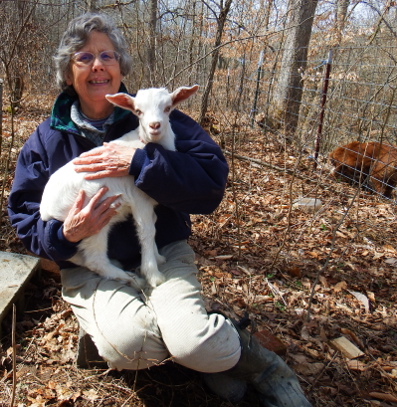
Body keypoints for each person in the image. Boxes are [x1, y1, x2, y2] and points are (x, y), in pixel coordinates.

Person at [8, 12, 312, 407]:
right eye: (84, 58)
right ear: (68, 74)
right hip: (91, 263)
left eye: (108, 56)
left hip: (163, 251)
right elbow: (25, 219)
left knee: (195, 343)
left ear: (120, 68)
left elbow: (210, 185)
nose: (98, 65)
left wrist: (138, 164)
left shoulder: (162, 115)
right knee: (134, 346)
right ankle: (182, 345)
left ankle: (256, 363)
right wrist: (66, 234)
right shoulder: (45, 141)